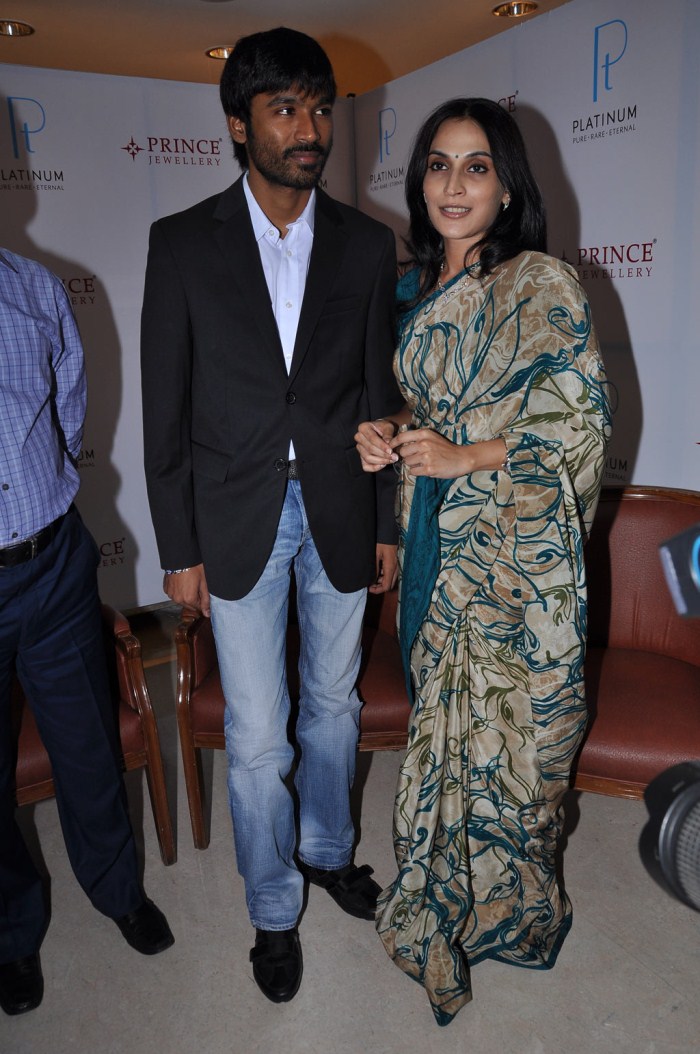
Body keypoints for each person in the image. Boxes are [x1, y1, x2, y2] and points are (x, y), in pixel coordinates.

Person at [141, 28, 402, 1004]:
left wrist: (383, 521)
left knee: (334, 706)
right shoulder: (182, 243)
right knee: (257, 735)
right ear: (237, 125)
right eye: (285, 108)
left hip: (338, 509)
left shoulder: (367, 244)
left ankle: (328, 851)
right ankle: (270, 906)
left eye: (319, 108)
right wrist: (178, 548)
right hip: (235, 514)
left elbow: (379, 395)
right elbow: (165, 410)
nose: (309, 129)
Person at [355, 98, 612, 1025]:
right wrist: (386, 432)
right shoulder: (412, 288)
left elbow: (581, 422)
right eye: (437, 164)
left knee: (514, 745)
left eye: (476, 166)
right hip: (433, 537)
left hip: (511, 558)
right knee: (443, 726)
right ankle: (440, 891)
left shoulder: (542, 284)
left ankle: (513, 904)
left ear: (507, 188)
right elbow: (421, 405)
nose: (453, 184)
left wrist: (469, 455)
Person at [0, 248, 174, 1018]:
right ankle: (11, 930)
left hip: (52, 565)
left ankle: (118, 891)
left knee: (90, 748)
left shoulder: (32, 285)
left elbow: (69, 398)